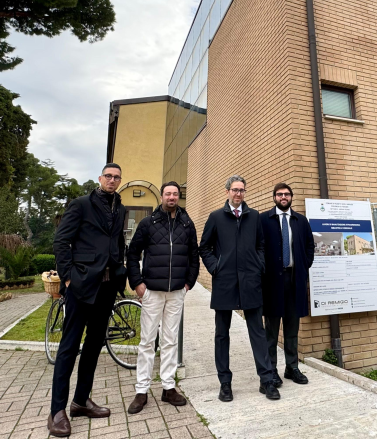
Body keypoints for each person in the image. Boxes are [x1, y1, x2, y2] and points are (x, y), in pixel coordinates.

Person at [49, 164, 128, 437]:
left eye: (117, 177)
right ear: (100, 179)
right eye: (108, 176)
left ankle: (80, 402)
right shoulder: (81, 205)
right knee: (69, 347)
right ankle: (56, 410)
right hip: (82, 286)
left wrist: (121, 268)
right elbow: (61, 242)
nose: (112, 180)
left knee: (94, 345)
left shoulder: (121, 207)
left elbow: (118, 241)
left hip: (107, 288)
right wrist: (68, 277)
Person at [199, 175, 279, 403]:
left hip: (250, 282)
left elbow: (260, 244)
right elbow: (204, 247)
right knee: (222, 334)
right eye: (235, 190)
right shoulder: (216, 217)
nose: (238, 194)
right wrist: (216, 267)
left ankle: (266, 380)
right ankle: (225, 383)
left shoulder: (253, 216)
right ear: (227, 192)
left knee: (257, 332)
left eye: (242, 190)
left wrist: (258, 265)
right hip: (224, 284)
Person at [125, 181, 199, 414]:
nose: (171, 197)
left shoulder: (187, 224)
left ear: (179, 197)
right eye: (168, 193)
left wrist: (188, 283)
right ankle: (141, 390)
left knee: (169, 341)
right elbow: (133, 253)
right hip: (152, 292)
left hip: (177, 292)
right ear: (161, 197)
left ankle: (168, 387)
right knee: (147, 341)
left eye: (175, 194)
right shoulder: (148, 223)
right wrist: (137, 283)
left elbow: (194, 256)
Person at [261, 183, 315, 387]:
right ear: (274, 197)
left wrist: (303, 265)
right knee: (271, 331)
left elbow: (310, 246)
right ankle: (271, 370)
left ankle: (292, 367)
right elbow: (259, 247)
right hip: (272, 281)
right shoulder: (263, 220)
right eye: (279, 194)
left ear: (291, 197)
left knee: (292, 328)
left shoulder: (301, 221)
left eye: (287, 194)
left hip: (294, 280)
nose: (283, 197)